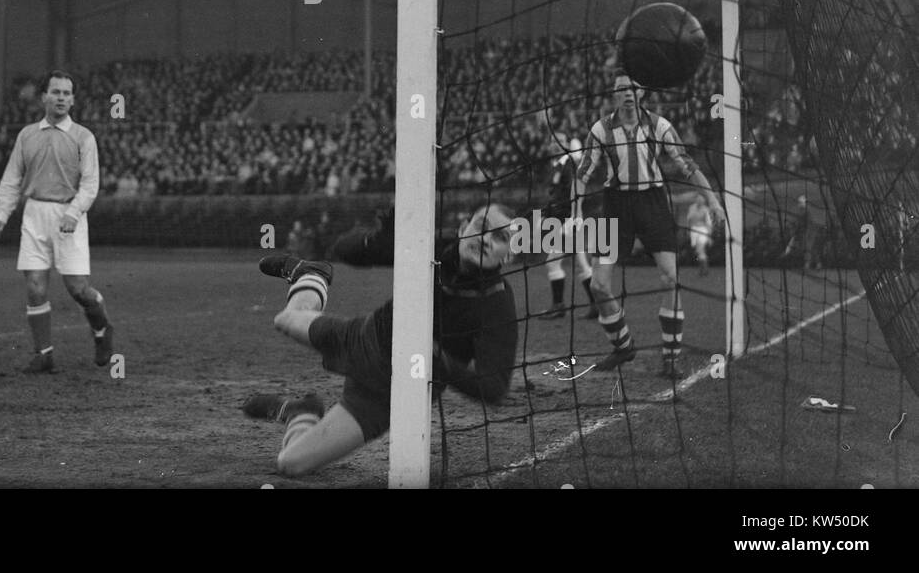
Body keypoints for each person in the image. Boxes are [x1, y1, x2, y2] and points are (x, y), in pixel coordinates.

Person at [241, 203, 518, 479]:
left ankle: (300, 412)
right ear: (463, 227)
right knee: (285, 319)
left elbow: (493, 388)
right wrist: (377, 242)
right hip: (363, 336)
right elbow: (344, 249)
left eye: (500, 238)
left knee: (291, 464)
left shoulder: (498, 305)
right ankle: (312, 273)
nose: (485, 240)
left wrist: (436, 358)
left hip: (384, 397)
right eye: (481, 227)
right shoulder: (432, 245)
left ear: (508, 258)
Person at [574, 72, 723, 380]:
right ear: (615, 95)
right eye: (621, 89)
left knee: (670, 278)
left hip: (653, 204)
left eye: (632, 89)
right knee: (599, 285)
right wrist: (576, 211)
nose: (627, 93)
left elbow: (688, 165)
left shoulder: (660, 126)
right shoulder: (601, 129)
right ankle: (623, 346)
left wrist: (713, 201)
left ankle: (670, 359)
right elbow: (582, 173)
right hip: (615, 205)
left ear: (640, 94)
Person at [0, 71, 114, 373]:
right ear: (43, 96)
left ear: (72, 100)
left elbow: (90, 183)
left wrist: (73, 213)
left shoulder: (84, 137)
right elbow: (12, 177)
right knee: (34, 287)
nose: (61, 98)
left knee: (78, 290)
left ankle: (102, 329)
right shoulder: (27, 135)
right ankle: (43, 354)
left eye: (66, 93)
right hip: (34, 214)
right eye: (55, 92)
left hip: (69, 215)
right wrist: (1, 212)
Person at [538, 137, 597, 320]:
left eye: (560, 140)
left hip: (567, 220)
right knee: (582, 264)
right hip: (568, 219)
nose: (554, 143)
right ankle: (597, 305)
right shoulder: (559, 165)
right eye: (553, 140)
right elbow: (557, 195)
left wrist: (568, 218)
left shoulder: (568, 165)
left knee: (553, 262)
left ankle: (559, 306)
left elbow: (572, 194)